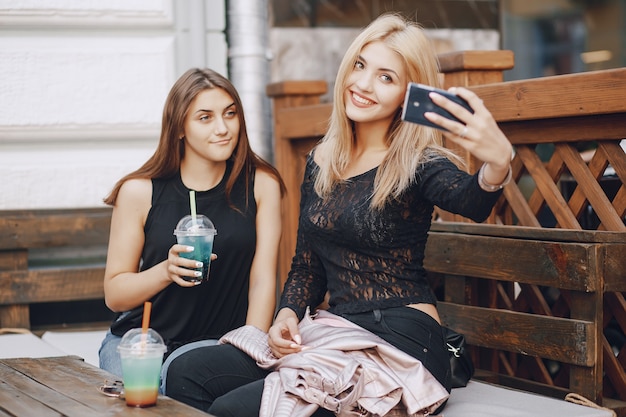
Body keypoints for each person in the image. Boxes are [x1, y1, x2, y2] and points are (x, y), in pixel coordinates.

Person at [165, 12, 513, 417]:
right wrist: (286, 315)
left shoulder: (418, 161)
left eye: (386, 77)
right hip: (333, 332)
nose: (363, 85)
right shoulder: (322, 160)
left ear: (407, 94)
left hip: (401, 341)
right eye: (360, 66)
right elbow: (307, 265)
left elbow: (471, 200)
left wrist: (498, 164)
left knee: (235, 409)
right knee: (186, 373)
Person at [98, 67, 285, 394]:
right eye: (205, 117)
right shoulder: (139, 192)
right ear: (179, 128)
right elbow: (115, 295)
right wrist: (166, 271)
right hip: (144, 342)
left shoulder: (261, 186)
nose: (223, 128)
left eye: (230, 114)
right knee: (143, 403)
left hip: (218, 345)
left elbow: (262, 279)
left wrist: (249, 347)